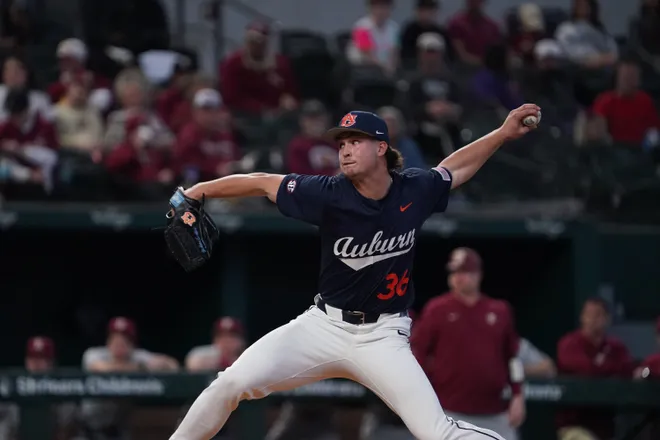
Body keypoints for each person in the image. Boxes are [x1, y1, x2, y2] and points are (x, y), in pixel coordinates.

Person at [168, 103, 541, 440]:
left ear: (381, 148)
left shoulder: (415, 188)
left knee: (437, 432)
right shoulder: (328, 192)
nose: (344, 149)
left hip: (383, 335)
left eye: (355, 141)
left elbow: (454, 168)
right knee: (229, 383)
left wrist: (503, 133)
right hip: (323, 326)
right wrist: (200, 190)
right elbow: (263, 182)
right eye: (341, 142)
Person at [411, 247, 525, 440]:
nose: (457, 277)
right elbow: (417, 353)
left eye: (463, 272)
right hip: (448, 411)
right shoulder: (436, 309)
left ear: (477, 275)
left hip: (495, 412)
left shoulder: (500, 310)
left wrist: (518, 396)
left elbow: (512, 358)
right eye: (454, 272)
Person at [556, 298, 635, 440]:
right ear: (582, 317)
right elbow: (586, 371)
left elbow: (628, 371)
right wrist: (608, 369)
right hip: (573, 424)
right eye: (588, 314)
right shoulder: (569, 343)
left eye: (597, 315)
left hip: (605, 425)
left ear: (607, 319)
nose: (592, 319)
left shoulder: (615, 348)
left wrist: (603, 368)